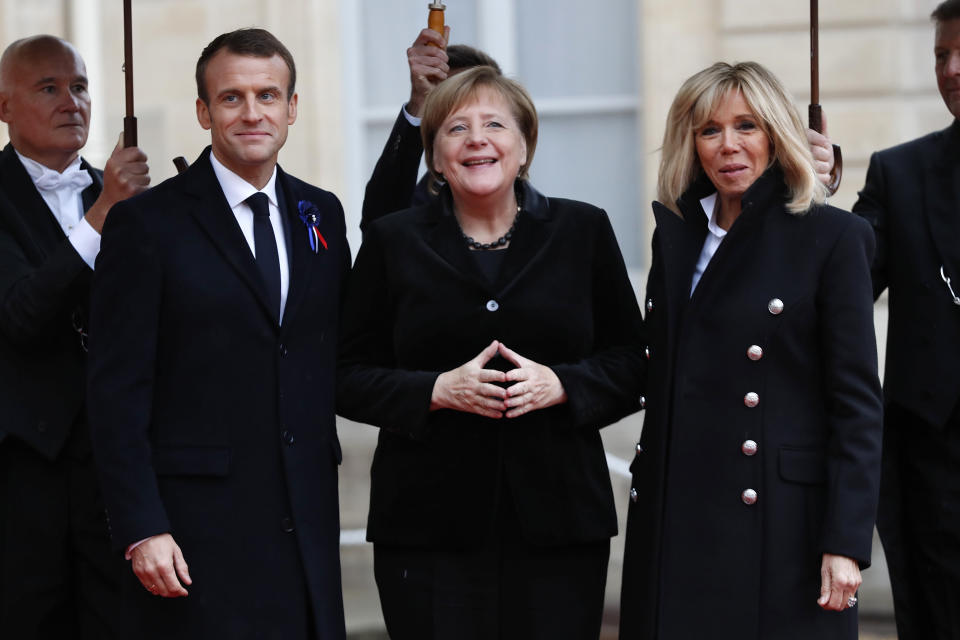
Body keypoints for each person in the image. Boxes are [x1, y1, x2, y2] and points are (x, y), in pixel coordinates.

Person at [337, 66, 645, 639]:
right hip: (427, 527)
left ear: (524, 147)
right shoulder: (392, 241)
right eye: (456, 128)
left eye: (495, 124)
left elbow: (632, 360)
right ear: (434, 157)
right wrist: (432, 391)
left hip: (559, 523)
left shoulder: (584, 230)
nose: (477, 139)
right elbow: (345, 373)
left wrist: (565, 385)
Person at [86, 28, 348, 639]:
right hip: (195, 532)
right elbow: (115, 391)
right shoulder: (146, 224)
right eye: (232, 98)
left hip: (305, 517)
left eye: (267, 95)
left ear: (292, 108)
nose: (252, 112)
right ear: (204, 112)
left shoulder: (323, 212)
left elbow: (335, 350)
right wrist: (142, 527)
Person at [619, 61, 882, 640]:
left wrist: (845, 542)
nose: (728, 146)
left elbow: (857, 407)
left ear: (777, 135)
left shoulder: (832, 238)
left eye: (747, 126)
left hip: (782, 527)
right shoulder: (677, 236)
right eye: (710, 130)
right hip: (675, 514)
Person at [0, 35, 150, 637]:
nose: (72, 102)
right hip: (25, 472)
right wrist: (101, 216)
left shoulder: (133, 200)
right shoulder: (108, 202)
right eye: (49, 88)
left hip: (117, 468)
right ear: (5, 106)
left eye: (81, 86)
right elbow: (21, 313)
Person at [852, 2, 960, 636]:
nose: (951, 70)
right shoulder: (901, 173)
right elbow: (840, 290)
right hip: (934, 466)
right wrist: (807, 195)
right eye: (941, 56)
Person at [361, 27, 500, 233]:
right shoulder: (419, 205)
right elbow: (380, 227)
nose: (476, 137)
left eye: (491, 122)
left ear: (523, 142)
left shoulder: (556, 223)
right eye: (457, 124)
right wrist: (419, 103)